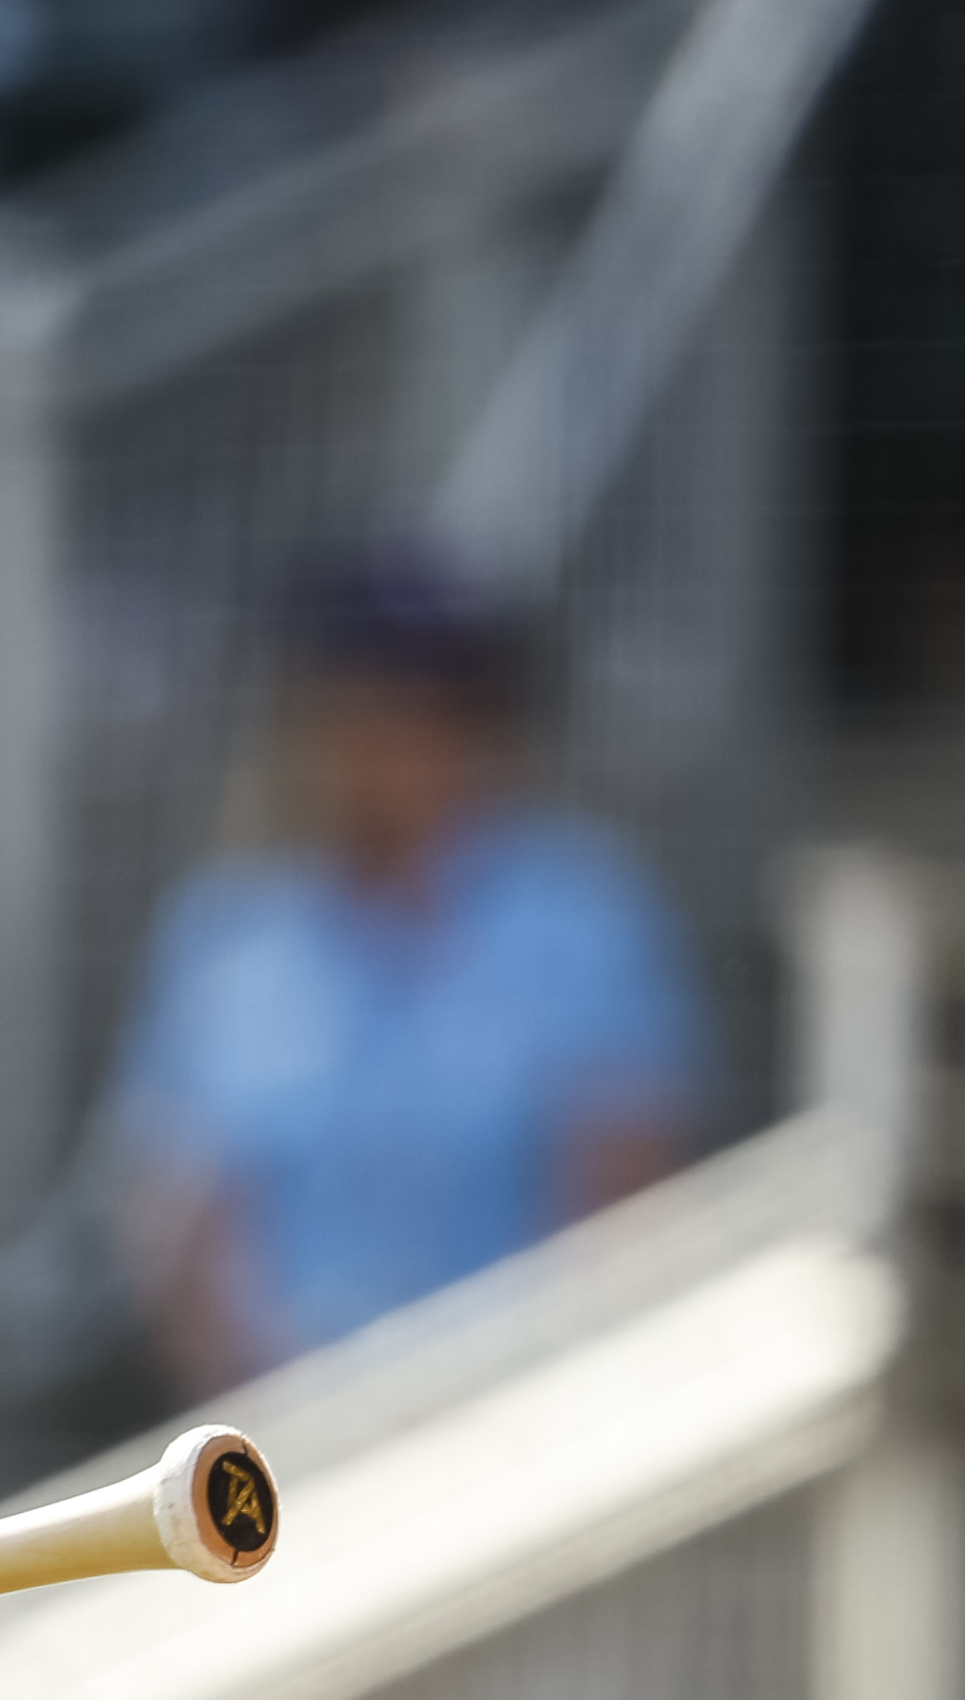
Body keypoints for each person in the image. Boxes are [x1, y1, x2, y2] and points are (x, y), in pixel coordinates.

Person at [102, 539, 705, 1396]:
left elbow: (625, 1205)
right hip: (279, 1449)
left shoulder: (581, 922)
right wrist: (278, 1411)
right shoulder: (224, 935)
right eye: (337, 713)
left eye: (405, 714)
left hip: (521, 1433)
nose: (365, 750)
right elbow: (174, 1227)